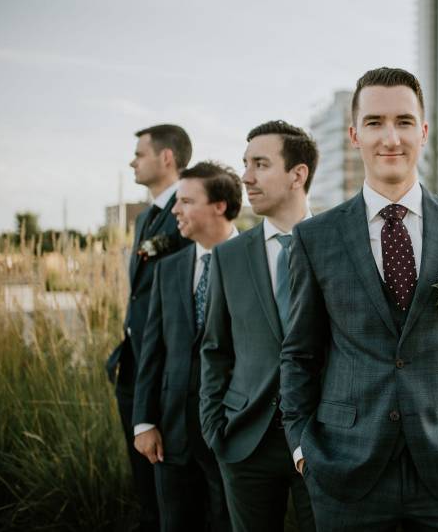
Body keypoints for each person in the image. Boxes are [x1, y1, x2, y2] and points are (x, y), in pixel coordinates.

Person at [279, 67, 438, 531]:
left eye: (404, 121)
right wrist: (303, 449)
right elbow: (299, 354)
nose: (391, 137)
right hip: (347, 471)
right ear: (353, 135)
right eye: (374, 122)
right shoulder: (313, 238)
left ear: (423, 132)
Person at [199, 121, 317, 532]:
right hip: (245, 441)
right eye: (245, 164)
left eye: (261, 164)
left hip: (325, 438)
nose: (246, 176)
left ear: (297, 174)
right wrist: (215, 427)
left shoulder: (338, 243)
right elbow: (215, 348)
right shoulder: (229, 256)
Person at [132, 161, 241, 531]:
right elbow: (153, 350)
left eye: (186, 201)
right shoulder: (169, 268)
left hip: (232, 433)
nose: (175, 210)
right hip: (171, 433)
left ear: (219, 206)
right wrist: (144, 420)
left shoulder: (254, 260)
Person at [107, 124, 192, 532]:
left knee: (170, 481)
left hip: (166, 365)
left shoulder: (187, 210)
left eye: (139, 154)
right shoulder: (144, 219)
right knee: (142, 474)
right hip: (133, 361)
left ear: (166, 158)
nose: (132, 161)